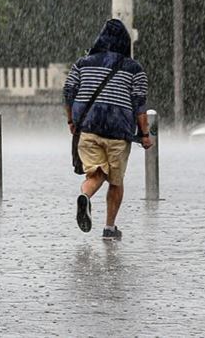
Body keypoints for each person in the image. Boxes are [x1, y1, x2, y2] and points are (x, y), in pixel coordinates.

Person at [63, 19, 152, 240]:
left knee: (96, 173)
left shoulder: (82, 63)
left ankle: (85, 195)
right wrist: (145, 135)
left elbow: (68, 92)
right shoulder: (134, 69)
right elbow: (139, 105)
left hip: (89, 128)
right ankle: (109, 228)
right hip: (118, 133)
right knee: (115, 180)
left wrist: (71, 121)